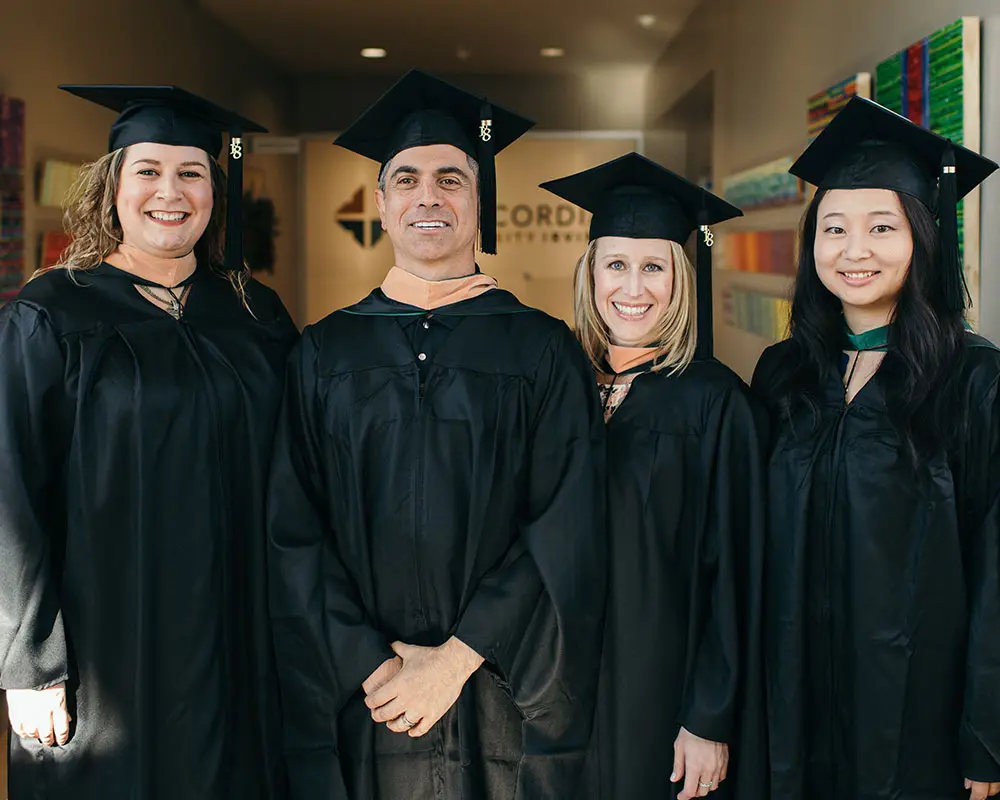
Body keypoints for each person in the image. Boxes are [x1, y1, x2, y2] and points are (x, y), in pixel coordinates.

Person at [267, 69, 607, 800]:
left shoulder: (541, 350)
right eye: (408, 180)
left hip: (499, 694)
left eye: (451, 179)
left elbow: (566, 521)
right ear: (381, 205)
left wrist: (455, 658)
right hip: (367, 699)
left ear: (481, 203)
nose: (429, 196)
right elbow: (293, 529)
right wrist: (372, 663)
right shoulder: (324, 353)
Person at [0, 85, 298, 799]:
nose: (170, 191)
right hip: (105, 643)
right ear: (114, 187)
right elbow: (11, 493)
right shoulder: (52, 314)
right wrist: (30, 665)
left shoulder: (255, 315)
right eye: (148, 171)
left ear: (214, 192)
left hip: (236, 635)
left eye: (191, 172)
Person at [751, 96, 1000, 800]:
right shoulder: (784, 373)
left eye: (881, 227)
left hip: (919, 719)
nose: (853, 250)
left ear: (924, 236)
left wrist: (986, 735)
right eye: (833, 228)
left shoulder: (974, 381)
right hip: (793, 702)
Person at [541, 152, 768, 800]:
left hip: (660, 699)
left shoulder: (717, 403)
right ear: (590, 273)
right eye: (616, 264)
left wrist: (708, 717)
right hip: (554, 694)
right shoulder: (558, 385)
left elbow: (736, 573)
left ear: (681, 279)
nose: (633, 288)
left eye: (654, 267)